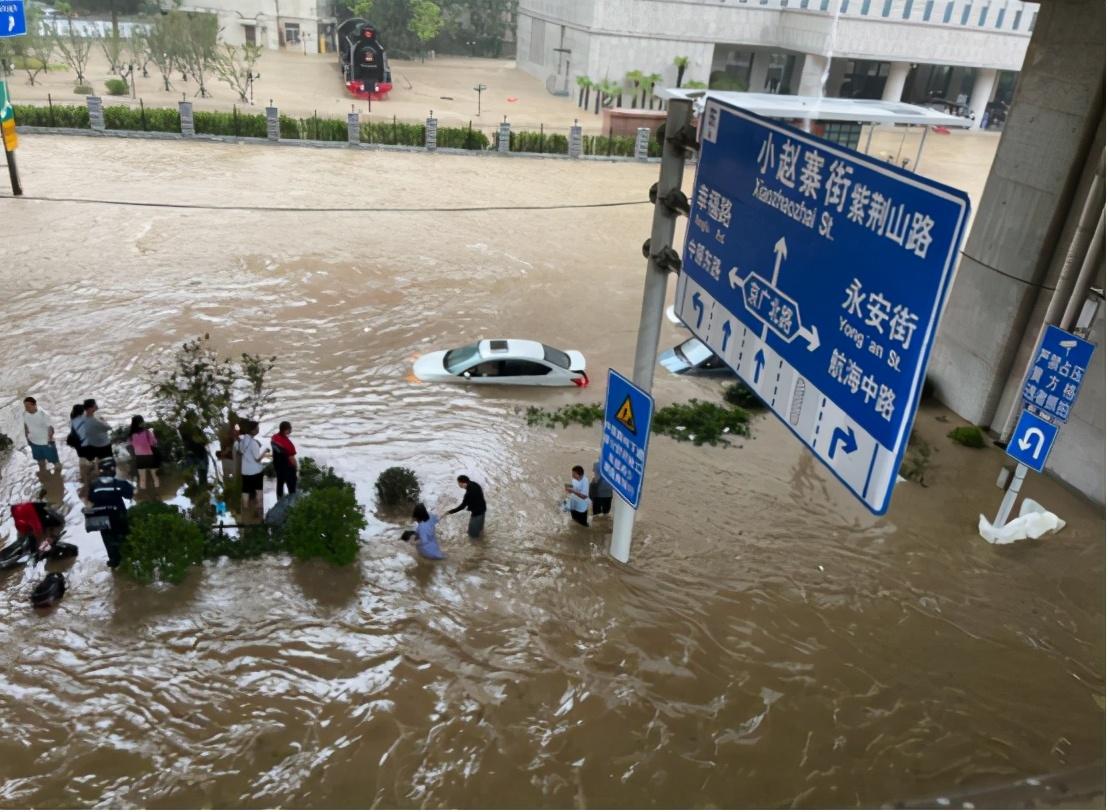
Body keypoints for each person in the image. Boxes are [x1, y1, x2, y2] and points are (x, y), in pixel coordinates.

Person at [88, 457, 134, 568]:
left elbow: (89, 500)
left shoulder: (93, 485)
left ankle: (114, 562)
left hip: (102, 519)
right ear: (113, 469)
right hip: (118, 517)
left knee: (108, 542)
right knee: (125, 538)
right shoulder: (119, 484)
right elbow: (131, 494)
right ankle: (130, 560)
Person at [237, 420, 270, 522]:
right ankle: (259, 511)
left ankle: (245, 509)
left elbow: (240, 452)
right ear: (253, 430)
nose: (258, 429)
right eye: (257, 428)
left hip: (245, 471)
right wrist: (265, 452)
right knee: (258, 490)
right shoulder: (254, 443)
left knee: (245, 490)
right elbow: (257, 458)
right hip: (255, 471)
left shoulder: (242, 441)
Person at [22, 396, 61, 475]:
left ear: (34, 405)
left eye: (28, 406)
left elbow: (51, 428)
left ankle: (57, 475)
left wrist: (49, 440)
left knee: (54, 460)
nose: (26, 408)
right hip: (33, 441)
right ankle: (43, 472)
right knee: (40, 460)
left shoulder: (43, 414)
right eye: (25, 406)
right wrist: (27, 437)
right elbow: (26, 425)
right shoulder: (25, 414)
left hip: (45, 442)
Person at [78, 399, 113, 482]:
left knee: (97, 460)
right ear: (90, 409)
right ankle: (105, 477)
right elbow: (108, 428)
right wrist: (103, 420)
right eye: (95, 405)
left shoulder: (82, 418)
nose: (96, 406)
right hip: (103, 445)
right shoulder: (95, 421)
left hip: (92, 444)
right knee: (106, 462)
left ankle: (94, 471)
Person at [446, 475, 486, 539]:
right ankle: (483, 540)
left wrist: (449, 512)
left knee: (472, 535)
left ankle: (478, 547)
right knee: (480, 530)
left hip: (477, 514)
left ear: (462, 483)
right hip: (483, 510)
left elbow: (462, 506)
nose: (458, 485)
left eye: (458, 483)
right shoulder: (475, 484)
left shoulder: (468, 493)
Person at [129, 415, 160, 490]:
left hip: (139, 457)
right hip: (150, 456)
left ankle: (144, 495)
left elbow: (132, 444)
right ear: (141, 422)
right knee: (154, 476)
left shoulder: (131, 435)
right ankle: (157, 493)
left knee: (142, 478)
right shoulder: (147, 432)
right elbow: (154, 443)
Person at [178, 410, 209, 481]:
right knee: (195, 476)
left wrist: (200, 439)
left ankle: (201, 488)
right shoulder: (184, 427)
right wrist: (200, 439)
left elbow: (205, 440)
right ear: (191, 417)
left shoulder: (197, 428)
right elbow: (196, 439)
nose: (196, 418)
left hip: (200, 453)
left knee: (202, 476)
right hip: (194, 454)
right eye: (195, 416)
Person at [270, 421, 298, 499]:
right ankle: (292, 500)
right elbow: (292, 459)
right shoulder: (288, 444)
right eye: (290, 429)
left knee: (280, 482)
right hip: (288, 468)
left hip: (278, 465)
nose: (291, 430)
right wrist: (296, 468)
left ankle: (279, 498)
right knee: (292, 486)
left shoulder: (274, 438)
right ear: (286, 430)